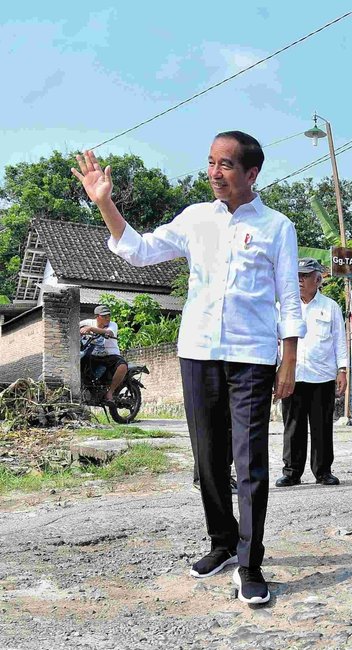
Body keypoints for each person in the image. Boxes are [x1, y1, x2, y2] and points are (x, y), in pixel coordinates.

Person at [72, 133, 305, 605]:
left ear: (251, 174)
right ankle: (222, 542)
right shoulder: (196, 218)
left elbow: (289, 300)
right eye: (211, 162)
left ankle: (250, 562)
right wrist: (105, 203)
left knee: (250, 461)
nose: (214, 172)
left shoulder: (278, 227)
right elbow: (139, 249)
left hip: (252, 359)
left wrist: (289, 362)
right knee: (207, 457)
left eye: (225, 165)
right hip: (198, 352)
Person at [275, 258, 347, 487]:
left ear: (317, 279)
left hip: (322, 376)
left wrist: (342, 369)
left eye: (304, 276)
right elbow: (274, 341)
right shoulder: (283, 307)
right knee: (293, 426)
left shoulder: (330, 307)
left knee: (322, 427)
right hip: (292, 376)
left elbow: (340, 341)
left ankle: (323, 471)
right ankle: (291, 472)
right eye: (297, 275)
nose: (299, 280)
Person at [80, 305, 128, 403]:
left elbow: (109, 333)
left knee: (122, 366)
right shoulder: (87, 323)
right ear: (97, 316)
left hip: (110, 354)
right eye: (104, 316)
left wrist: (91, 329)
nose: (107, 318)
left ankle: (110, 392)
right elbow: (73, 326)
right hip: (93, 354)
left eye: (109, 316)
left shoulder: (112, 324)